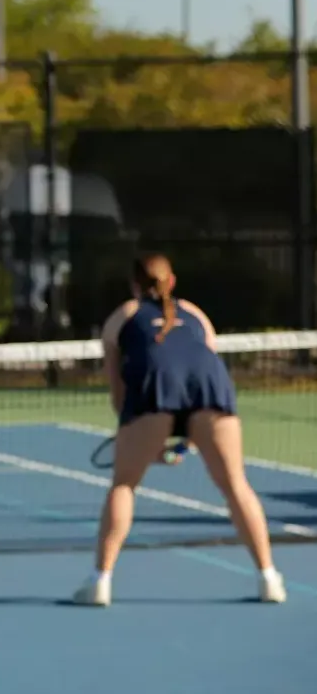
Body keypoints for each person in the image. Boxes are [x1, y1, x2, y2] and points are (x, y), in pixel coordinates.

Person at [73, 252, 285, 606]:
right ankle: (269, 579)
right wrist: (186, 440)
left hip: (153, 393)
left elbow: (120, 394)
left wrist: (144, 439)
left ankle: (100, 582)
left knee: (124, 484)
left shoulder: (122, 317)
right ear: (171, 282)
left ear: (134, 285)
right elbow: (198, 370)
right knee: (236, 485)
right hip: (211, 390)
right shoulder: (197, 315)